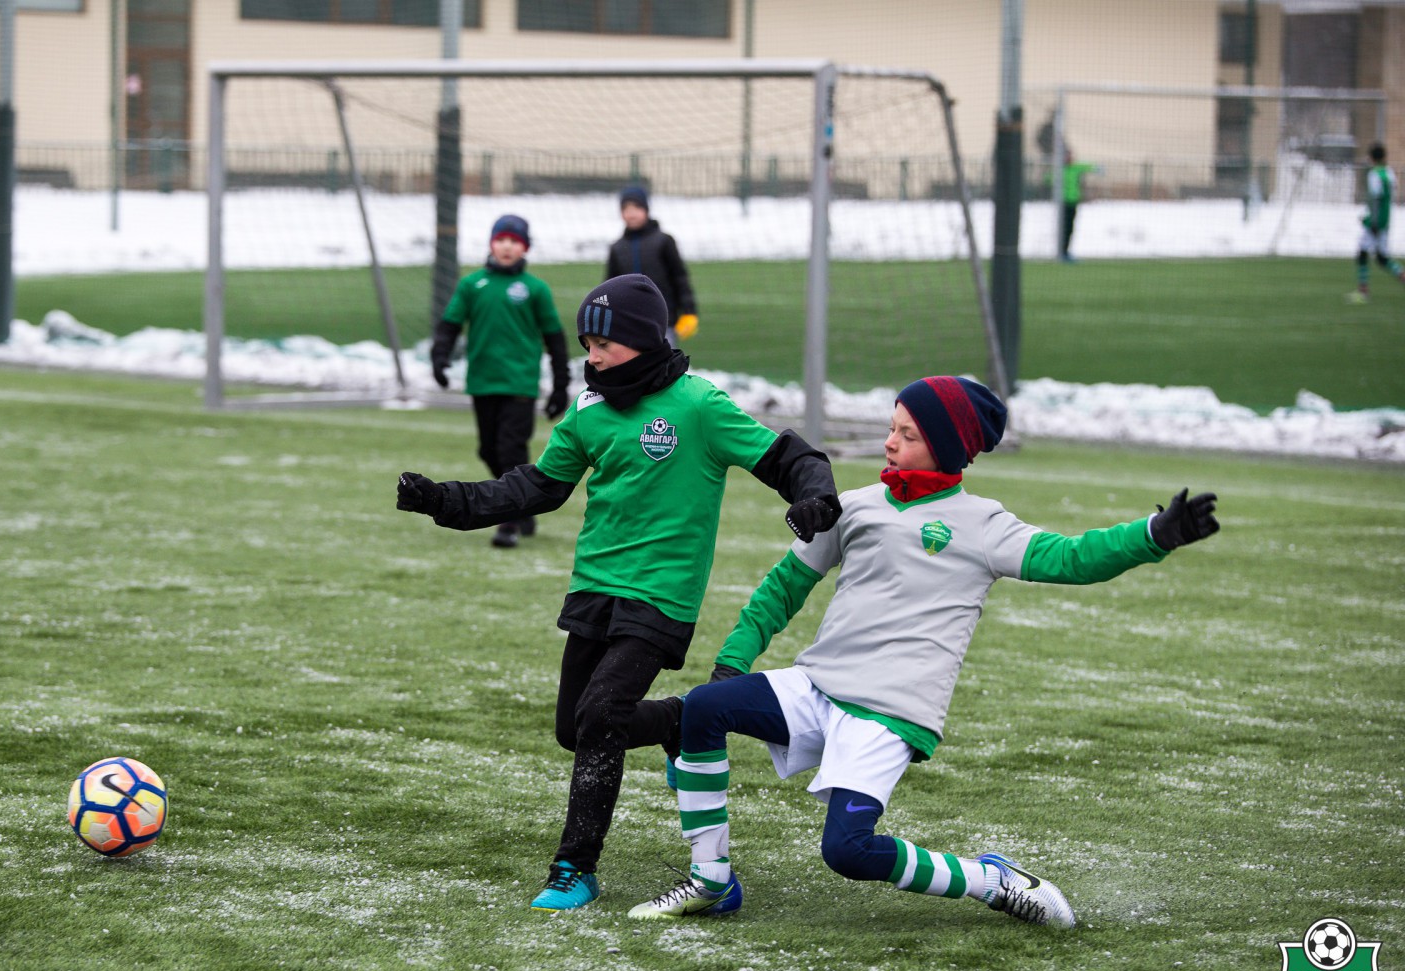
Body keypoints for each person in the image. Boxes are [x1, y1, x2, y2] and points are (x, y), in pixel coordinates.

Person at [631, 375, 1220, 929]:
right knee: (706, 707)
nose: (890, 442)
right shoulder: (855, 505)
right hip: (818, 687)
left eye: (907, 435)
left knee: (848, 851)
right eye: (892, 428)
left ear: (945, 446)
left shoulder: (984, 524)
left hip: (888, 712)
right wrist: (735, 660)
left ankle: (990, 880)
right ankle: (712, 880)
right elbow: (783, 586)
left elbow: (1071, 558)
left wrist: (1152, 535)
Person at [397, 273, 841, 912]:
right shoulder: (588, 409)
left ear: (641, 340)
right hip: (594, 587)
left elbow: (790, 456)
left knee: (601, 715)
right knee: (573, 729)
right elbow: (535, 488)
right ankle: (681, 721)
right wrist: (446, 501)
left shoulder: (697, 405)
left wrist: (813, 496)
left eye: (603, 343)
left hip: (661, 596)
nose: (592, 356)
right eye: (585, 343)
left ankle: (573, 869)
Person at [430, 214, 571, 548]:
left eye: (515, 241)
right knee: (488, 450)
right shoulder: (472, 285)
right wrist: (439, 357)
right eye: (502, 239)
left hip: (520, 384)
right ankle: (523, 506)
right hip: (483, 382)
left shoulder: (535, 289)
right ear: (492, 243)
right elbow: (450, 324)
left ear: (525, 248)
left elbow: (554, 336)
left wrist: (561, 383)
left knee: (511, 450)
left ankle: (507, 522)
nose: (508, 246)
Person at [605, 186, 698, 348]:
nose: (631, 213)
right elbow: (609, 285)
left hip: (663, 321)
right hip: (629, 323)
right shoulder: (617, 247)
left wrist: (689, 311)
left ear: (646, 210)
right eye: (626, 209)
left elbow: (680, 277)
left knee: (665, 367)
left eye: (636, 208)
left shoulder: (664, 241)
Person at [1348, 143, 1404, 304]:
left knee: (1362, 253)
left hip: (1376, 222)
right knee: (1382, 258)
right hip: (1386, 220)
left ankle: (1362, 292)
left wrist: (1371, 221)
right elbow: (1390, 194)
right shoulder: (1389, 172)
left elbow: (1376, 198)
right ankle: (1401, 276)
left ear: (1372, 157)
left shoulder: (1374, 174)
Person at [1059, 151, 1097, 263]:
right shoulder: (1060, 170)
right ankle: (1061, 252)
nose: (1069, 158)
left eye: (1070, 156)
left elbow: (1089, 167)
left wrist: (1097, 168)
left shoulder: (1075, 168)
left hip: (1073, 203)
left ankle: (1065, 252)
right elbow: (1048, 179)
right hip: (1063, 204)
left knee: (1070, 228)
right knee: (1063, 229)